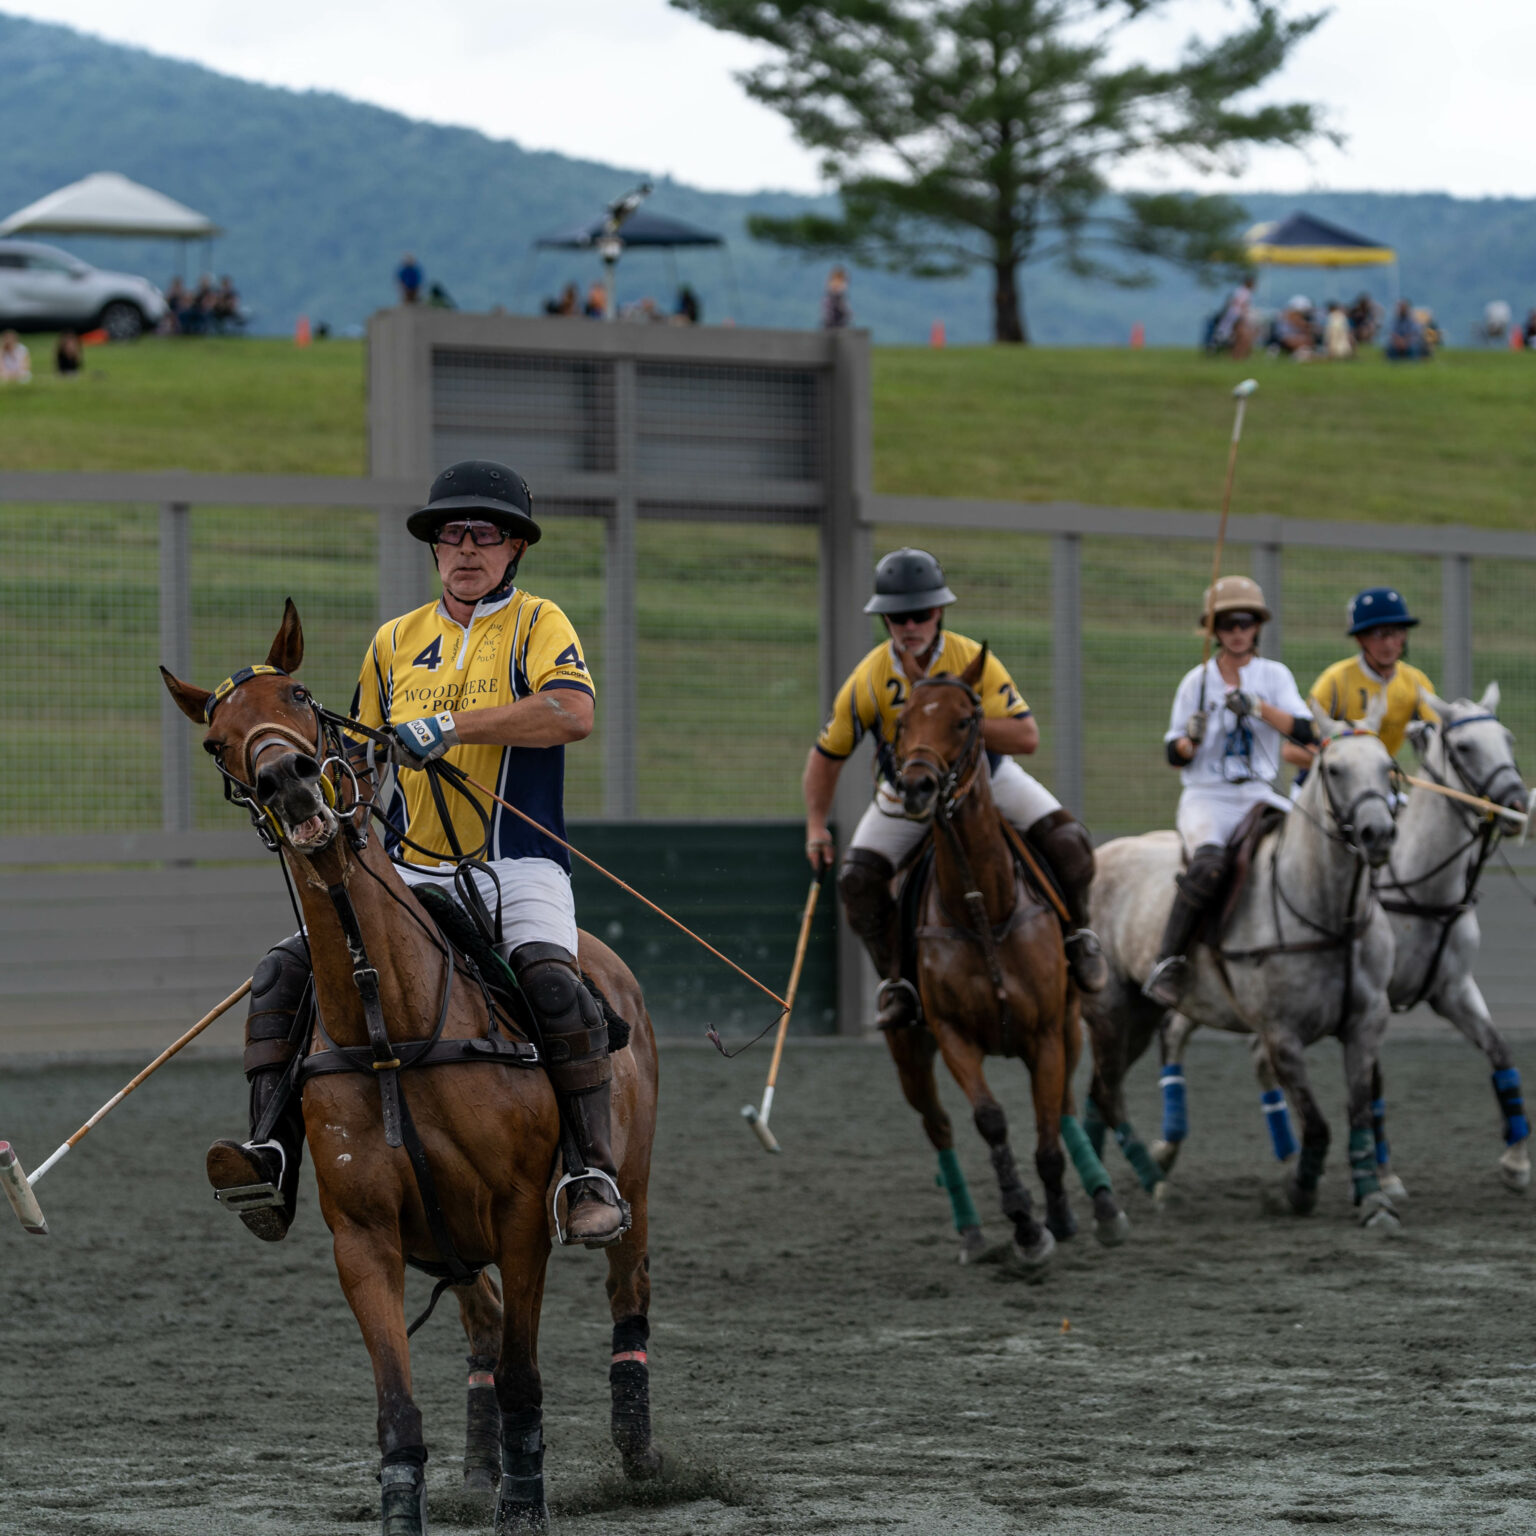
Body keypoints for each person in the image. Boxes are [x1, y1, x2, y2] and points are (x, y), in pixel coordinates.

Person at [205, 460, 626, 1248]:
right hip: (409, 869)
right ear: (434, 549)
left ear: (514, 549)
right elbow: (357, 762)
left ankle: (589, 1171)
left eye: (485, 533)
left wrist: (455, 727)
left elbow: (571, 715)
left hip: (516, 863)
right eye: (450, 534)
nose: (465, 548)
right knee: (282, 972)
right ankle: (269, 1151)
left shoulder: (540, 623)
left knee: (551, 979)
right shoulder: (394, 642)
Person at [803, 548, 1107, 1030]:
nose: (910, 625)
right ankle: (897, 982)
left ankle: (1079, 936)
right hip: (907, 794)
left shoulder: (973, 660)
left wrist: (952, 724)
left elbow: (1026, 737)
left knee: (1070, 842)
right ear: (886, 621)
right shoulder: (869, 678)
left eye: (920, 614)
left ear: (938, 612)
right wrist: (817, 825)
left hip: (984, 780)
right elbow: (827, 755)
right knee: (856, 879)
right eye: (898, 616)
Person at [1142, 576, 1318, 1008]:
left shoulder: (1274, 675)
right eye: (1226, 623)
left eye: (1245, 622)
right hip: (1209, 796)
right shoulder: (1195, 682)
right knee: (1208, 867)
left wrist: (1258, 707)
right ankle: (1169, 960)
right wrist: (1190, 739)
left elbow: (1304, 729)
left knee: (1303, 851)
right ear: (1213, 629)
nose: (1237, 631)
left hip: (1260, 792)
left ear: (1257, 626)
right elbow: (1173, 753)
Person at [1306, 589, 1436, 762]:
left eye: (1396, 632)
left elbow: (1437, 735)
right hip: (1328, 781)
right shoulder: (1335, 679)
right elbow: (1294, 749)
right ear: (1360, 639)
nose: (1389, 643)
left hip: (1381, 780)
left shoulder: (1416, 681)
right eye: (1378, 634)